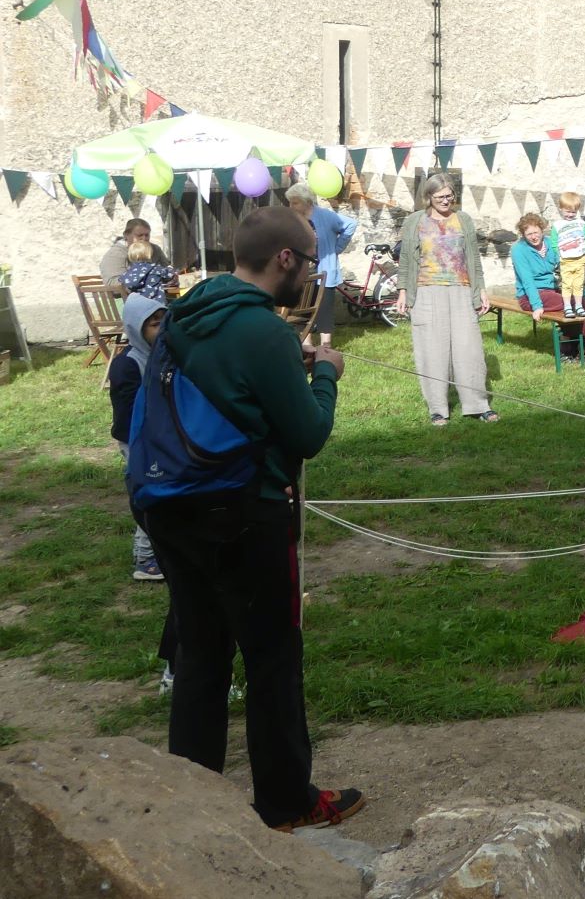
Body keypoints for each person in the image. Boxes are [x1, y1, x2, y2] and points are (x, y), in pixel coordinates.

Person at [135, 206, 364, 830]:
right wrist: (326, 375)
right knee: (271, 658)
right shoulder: (264, 331)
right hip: (242, 509)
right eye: (309, 261)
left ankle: (196, 803)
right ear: (284, 259)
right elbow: (308, 434)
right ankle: (287, 801)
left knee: (201, 655)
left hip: (168, 503)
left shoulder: (184, 312)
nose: (312, 274)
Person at [394, 175, 495, 425]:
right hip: (426, 291)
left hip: (462, 289)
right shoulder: (414, 221)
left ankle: (477, 404)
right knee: (432, 351)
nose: (445, 201)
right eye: (440, 197)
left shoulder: (464, 220)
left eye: (449, 196)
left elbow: (473, 258)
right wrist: (403, 291)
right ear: (428, 197)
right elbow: (405, 259)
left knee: (469, 349)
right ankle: (438, 408)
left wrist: (481, 290)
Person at [109, 294, 169, 582]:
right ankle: (145, 559)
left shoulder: (163, 356)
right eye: (154, 325)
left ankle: (162, 549)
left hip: (162, 437)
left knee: (163, 492)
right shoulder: (128, 364)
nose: (162, 330)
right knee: (148, 493)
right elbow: (127, 413)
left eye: (164, 322)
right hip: (138, 440)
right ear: (136, 328)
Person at [285, 183, 358, 349]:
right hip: (301, 272)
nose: (291, 206)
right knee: (302, 308)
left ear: (306, 201)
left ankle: (326, 346)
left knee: (324, 309)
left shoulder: (325, 216)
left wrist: (337, 248)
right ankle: (307, 345)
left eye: (295, 202)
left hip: (324, 269)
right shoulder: (294, 219)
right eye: (290, 202)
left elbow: (351, 224)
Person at [513, 212, 565, 323]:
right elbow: (527, 280)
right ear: (523, 235)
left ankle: (578, 334)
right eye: (529, 234)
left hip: (553, 289)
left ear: (542, 230)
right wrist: (537, 306)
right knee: (569, 302)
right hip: (530, 295)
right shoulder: (518, 249)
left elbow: (566, 269)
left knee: (581, 301)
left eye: (536, 232)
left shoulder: (551, 243)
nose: (533, 237)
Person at [551, 191, 585, 319]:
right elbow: (554, 243)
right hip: (565, 260)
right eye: (567, 211)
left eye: (573, 212)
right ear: (561, 209)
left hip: (580, 259)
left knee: (578, 284)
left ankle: (579, 306)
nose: (570, 215)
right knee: (567, 284)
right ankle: (567, 307)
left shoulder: (581, 223)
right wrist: (559, 255)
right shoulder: (557, 225)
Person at [100, 218, 169, 297]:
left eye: (147, 235)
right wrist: (145, 282)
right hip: (127, 299)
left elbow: (166, 269)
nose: (144, 238)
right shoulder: (115, 254)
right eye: (139, 235)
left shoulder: (155, 249)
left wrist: (172, 278)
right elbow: (112, 284)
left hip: (157, 295)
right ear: (126, 235)